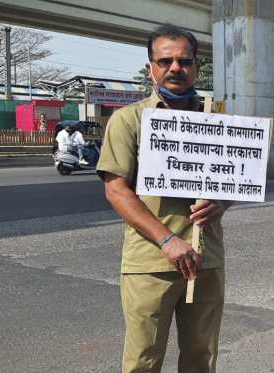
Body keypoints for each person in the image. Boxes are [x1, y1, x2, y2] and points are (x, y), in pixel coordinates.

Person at [97, 25, 232, 373]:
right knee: (143, 360)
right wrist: (168, 240)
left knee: (201, 357)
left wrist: (223, 203)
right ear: (151, 67)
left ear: (196, 68)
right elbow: (116, 189)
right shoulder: (128, 120)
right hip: (152, 263)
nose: (176, 68)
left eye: (185, 61)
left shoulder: (216, 120)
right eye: (166, 60)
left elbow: (232, 181)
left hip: (206, 259)